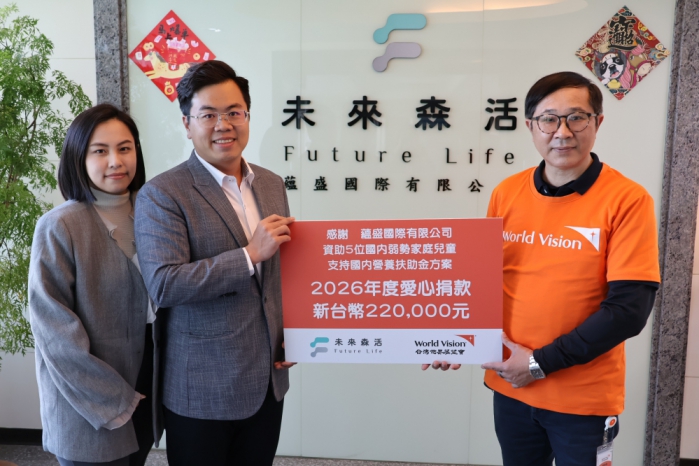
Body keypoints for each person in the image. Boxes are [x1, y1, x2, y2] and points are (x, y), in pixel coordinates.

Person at [476, 71, 660, 465]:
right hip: (511, 387)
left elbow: (628, 311)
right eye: (548, 119)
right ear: (530, 126)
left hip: (583, 400)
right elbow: (482, 283)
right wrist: (450, 338)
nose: (562, 132)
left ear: (598, 123)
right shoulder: (506, 193)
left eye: (577, 118)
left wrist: (538, 364)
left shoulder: (627, 200)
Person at [134, 60, 295, 466]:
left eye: (234, 112)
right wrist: (249, 254)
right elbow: (164, 284)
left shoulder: (271, 184)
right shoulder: (163, 193)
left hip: (268, 380)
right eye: (208, 115)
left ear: (247, 116)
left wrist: (293, 334)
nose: (224, 125)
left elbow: (280, 276)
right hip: (202, 390)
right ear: (187, 124)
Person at [29, 104, 161, 466]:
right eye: (100, 151)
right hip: (86, 397)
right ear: (78, 158)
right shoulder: (60, 225)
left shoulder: (154, 213)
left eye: (125, 148)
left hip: (148, 380)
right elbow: (53, 330)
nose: (116, 161)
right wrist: (114, 398)